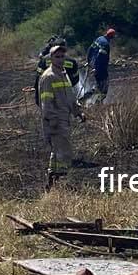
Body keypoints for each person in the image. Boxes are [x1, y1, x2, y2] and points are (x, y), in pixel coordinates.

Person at [36, 40, 83, 189]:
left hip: (64, 118)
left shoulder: (64, 75)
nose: (60, 59)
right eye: (57, 56)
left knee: (57, 152)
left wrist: (78, 112)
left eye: (62, 56)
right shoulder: (48, 77)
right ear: (51, 59)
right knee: (64, 151)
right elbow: (46, 103)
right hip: (55, 120)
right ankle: (62, 184)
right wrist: (52, 120)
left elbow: (70, 98)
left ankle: (52, 183)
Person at [85, 27, 115, 104]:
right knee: (104, 88)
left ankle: (85, 98)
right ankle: (98, 103)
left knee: (98, 86)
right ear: (112, 37)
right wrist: (97, 68)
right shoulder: (106, 44)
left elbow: (90, 49)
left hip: (95, 67)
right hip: (101, 69)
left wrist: (88, 61)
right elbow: (100, 57)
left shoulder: (99, 39)